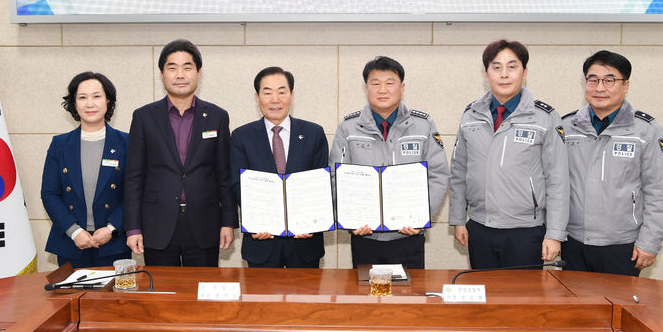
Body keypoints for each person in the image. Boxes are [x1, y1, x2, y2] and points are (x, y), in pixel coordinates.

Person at [449, 39, 569, 269]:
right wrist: (457, 219)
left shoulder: (545, 118)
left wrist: (555, 233)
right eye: (497, 67)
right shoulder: (471, 115)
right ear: (486, 74)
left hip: (526, 230)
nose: (504, 74)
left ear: (524, 72)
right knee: (483, 289)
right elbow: (459, 172)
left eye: (512, 67)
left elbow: (558, 180)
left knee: (522, 293)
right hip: (480, 227)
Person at [124, 39, 238, 266]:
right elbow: (134, 176)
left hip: (204, 224)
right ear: (161, 74)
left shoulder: (217, 117)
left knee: (203, 286)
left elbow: (224, 174)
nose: (180, 75)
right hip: (157, 223)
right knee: (161, 287)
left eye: (187, 67)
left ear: (198, 73)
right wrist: (133, 227)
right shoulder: (144, 117)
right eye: (172, 68)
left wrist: (228, 222)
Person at [329, 56, 449, 269]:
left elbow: (438, 175)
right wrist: (350, 219)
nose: (382, 90)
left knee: (410, 290)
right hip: (365, 235)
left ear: (402, 88)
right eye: (375, 83)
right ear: (366, 88)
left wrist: (421, 217)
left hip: (408, 235)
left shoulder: (423, 125)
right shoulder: (348, 127)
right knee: (365, 289)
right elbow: (335, 177)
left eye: (390, 83)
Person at [562, 50, 663, 276]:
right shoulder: (567, 127)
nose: (600, 88)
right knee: (572, 300)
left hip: (623, 246)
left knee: (618, 300)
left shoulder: (645, 131)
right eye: (593, 80)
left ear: (626, 85)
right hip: (572, 242)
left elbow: (659, 192)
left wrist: (649, 242)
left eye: (609, 80)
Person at [230, 67, 329, 267]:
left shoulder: (314, 133)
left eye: (282, 92)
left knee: (306, 290)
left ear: (292, 95)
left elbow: (321, 184)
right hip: (261, 241)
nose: (275, 100)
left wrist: (310, 220)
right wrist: (256, 220)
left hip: (305, 240)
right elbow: (237, 185)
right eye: (267, 93)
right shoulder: (241, 137)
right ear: (257, 97)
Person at [41, 72, 131, 268]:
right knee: (72, 289)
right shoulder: (60, 145)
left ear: (108, 101)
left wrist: (111, 229)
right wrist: (74, 231)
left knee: (113, 290)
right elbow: (49, 193)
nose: (90, 104)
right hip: (71, 243)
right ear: (74, 103)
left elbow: (135, 193)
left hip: (114, 242)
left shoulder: (127, 143)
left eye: (96, 96)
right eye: (82, 97)